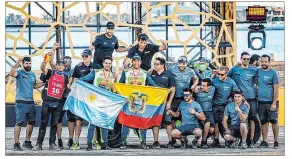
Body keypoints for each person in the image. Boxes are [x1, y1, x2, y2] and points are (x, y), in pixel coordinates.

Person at [77, 56, 118, 151]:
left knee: (105, 124)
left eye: (109, 63)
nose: (107, 65)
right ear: (103, 64)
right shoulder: (96, 72)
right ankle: (89, 144)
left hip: (106, 103)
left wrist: (116, 80)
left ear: (111, 64)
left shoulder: (113, 75)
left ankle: (105, 144)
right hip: (95, 102)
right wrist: (77, 81)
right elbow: (85, 79)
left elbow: (115, 89)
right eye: (106, 63)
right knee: (93, 123)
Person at [119, 53, 157, 150]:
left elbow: (153, 84)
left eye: (138, 61)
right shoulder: (126, 72)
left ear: (140, 62)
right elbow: (120, 85)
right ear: (132, 62)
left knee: (142, 122)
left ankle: (143, 142)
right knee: (126, 122)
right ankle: (123, 142)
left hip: (141, 102)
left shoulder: (145, 73)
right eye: (134, 61)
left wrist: (162, 90)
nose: (136, 62)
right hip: (128, 101)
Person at [33, 53, 69, 151]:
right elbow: (43, 68)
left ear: (64, 67)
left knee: (54, 124)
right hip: (47, 102)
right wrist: (46, 59)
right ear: (56, 65)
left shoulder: (66, 77)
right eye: (59, 64)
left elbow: (67, 88)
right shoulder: (51, 72)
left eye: (62, 65)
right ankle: (38, 144)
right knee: (43, 123)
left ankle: (52, 144)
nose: (61, 66)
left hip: (58, 103)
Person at [67, 49, 102, 150]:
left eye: (86, 56)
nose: (84, 58)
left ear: (91, 56)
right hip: (81, 98)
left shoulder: (96, 67)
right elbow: (72, 81)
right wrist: (70, 86)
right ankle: (76, 142)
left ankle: (94, 142)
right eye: (83, 56)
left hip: (93, 98)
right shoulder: (77, 67)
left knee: (94, 121)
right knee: (78, 121)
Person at [9, 57, 44, 151]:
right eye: (26, 63)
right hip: (21, 102)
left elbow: (35, 86)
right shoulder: (19, 72)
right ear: (23, 64)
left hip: (31, 102)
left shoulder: (32, 74)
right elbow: (12, 73)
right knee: (19, 123)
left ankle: (27, 142)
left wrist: (45, 82)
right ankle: (16, 144)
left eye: (29, 63)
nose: (28, 65)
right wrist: (17, 63)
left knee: (31, 122)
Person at [227, 52, 258, 148]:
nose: (246, 60)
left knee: (252, 119)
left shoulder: (254, 70)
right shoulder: (234, 69)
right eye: (244, 59)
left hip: (251, 98)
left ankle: (251, 140)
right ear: (241, 59)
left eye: (248, 59)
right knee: (236, 118)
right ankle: (236, 138)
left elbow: (258, 82)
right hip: (237, 98)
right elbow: (226, 78)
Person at [47, 43, 73, 150]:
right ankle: (59, 140)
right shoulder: (58, 70)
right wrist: (53, 49)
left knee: (71, 120)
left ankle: (71, 139)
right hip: (60, 99)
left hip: (70, 98)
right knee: (59, 120)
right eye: (64, 61)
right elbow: (51, 61)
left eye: (68, 61)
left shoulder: (73, 71)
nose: (66, 63)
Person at [150, 57, 176, 149]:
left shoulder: (169, 74)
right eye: (154, 64)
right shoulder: (151, 73)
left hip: (165, 102)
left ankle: (170, 141)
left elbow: (173, 89)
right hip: (154, 103)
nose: (155, 66)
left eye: (157, 64)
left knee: (168, 121)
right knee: (155, 122)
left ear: (162, 65)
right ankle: (156, 141)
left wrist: (169, 102)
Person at [211, 66, 239, 147]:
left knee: (226, 122)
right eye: (218, 74)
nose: (220, 76)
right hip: (216, 105)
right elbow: (206, 85)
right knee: (216, 122)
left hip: (226, 106)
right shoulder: (214, 80)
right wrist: (212, 76)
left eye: (222, 75)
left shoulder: (231, 82)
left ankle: (228, 140)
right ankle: (216, 140)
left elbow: (236, 92)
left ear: (226, 74)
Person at [257, 54, 280, 149]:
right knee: (264, 122)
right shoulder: (258, 71)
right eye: (262, 61)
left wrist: (274, 103)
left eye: (266, 61)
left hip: (271, 102)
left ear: (269, 62)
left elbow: (276, 89)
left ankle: (276, 141)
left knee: (274, 121)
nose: (264, 63)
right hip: (261, 102)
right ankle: (265, 141)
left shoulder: (273, 73)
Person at [194, 78, 215, 148]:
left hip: (209, 112)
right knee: (205, 125)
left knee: (212, 130)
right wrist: (195, 88)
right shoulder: (198, 91)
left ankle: (204, 138)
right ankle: (203, 141)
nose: (202, 87)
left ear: (209, 86)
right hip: (201, 112)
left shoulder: (213, 89)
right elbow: (191, 92)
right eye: (201, 85)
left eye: (204, 86)